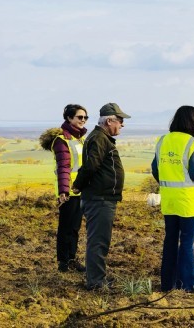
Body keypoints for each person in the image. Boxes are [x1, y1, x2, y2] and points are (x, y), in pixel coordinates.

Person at [151, 106, 194, 292]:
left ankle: (167, 284)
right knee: (187, 243)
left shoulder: (162, 141)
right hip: (187, 202)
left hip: (169, 199)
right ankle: (189, 286)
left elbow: (156, 169)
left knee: (170, 240)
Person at [72, 103, 131, 290]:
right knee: (98, 241)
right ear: (109, 121)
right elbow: (91, 166)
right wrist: (77, 185)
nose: (122, 125)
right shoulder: (99, 138)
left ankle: (98, 278)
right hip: (99, 199)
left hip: (103, 198)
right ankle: (96, 282)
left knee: (100, 240)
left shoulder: (102, 138)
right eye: (120, 121)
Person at [40, 104, 88, 273]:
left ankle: (72, 259)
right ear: (69, 118)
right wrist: (63, 191)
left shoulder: (79, 139)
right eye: (79, 117)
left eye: (85, 117)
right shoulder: (62, 140)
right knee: (65, 227)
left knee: (75, 227)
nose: (83, 120)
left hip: (80, 189)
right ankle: (63, 262)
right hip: (68, 191)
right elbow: (63, 167)